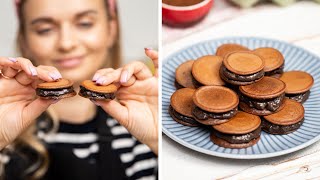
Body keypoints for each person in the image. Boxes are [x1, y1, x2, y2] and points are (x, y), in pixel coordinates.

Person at [0, 0, 158, 179]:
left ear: (111, 29)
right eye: (44, 29)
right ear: (24, 39)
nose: (66, 44)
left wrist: (159, 139)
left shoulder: (138, 128)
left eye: (85, 24)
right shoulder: (8, 133)